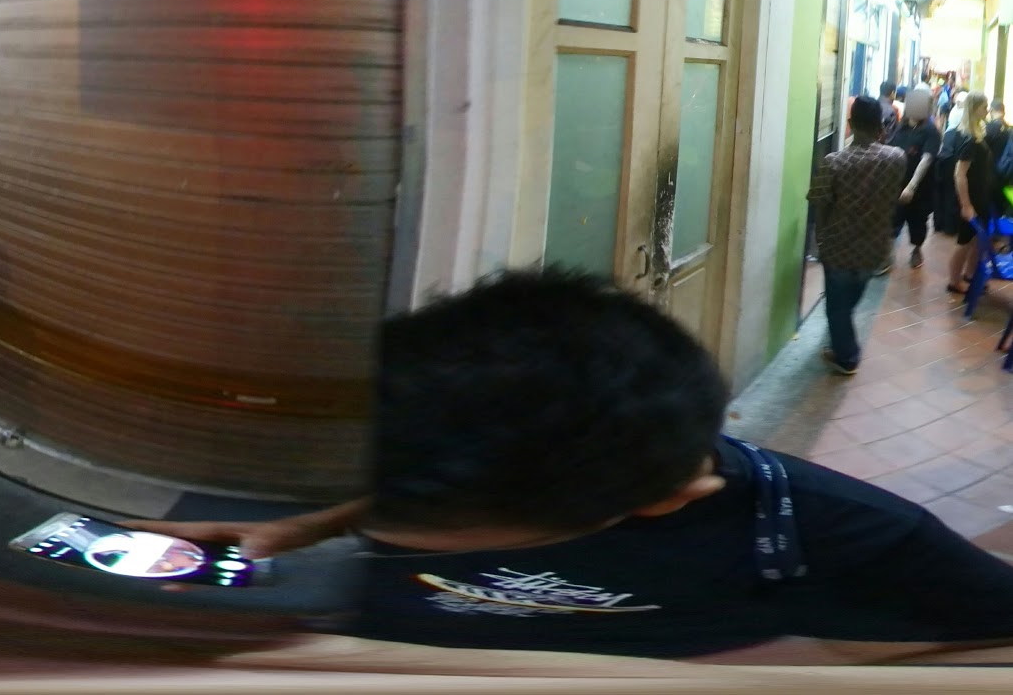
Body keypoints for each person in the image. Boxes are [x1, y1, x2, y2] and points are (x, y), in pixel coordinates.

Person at [133, 270, 1013, 663]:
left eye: (445, 534)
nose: (389, 536)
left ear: (660, 503)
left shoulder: (849, 535)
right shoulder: (477, 443)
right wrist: (292, 530)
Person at [807, 96, 907, 376]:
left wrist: (823, 240)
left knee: (837, 308)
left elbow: (820, 204)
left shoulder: (834, 163)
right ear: (881, 128)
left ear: (849, 125)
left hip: (838, 250)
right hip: (873, 251)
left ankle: (847, 357)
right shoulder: (896, 159)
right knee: (848, 301)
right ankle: (842, 342)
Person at [936, 90, 1001, 297]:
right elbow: (959, 174)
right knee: (964, 242)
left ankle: (969, 275)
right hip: (972, 200)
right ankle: (954, 281)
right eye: (984, 106)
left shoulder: (977, 133)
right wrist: (966, 204)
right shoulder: (969, 138)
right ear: (975, 109)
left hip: (979, 199)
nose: (987, 110)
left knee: (974, 241)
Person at [887, 86, 940, 267]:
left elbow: (926, 159)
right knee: (892, 219)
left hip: (920, 188)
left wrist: (912, 186)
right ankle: (886, 254)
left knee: (918, 221)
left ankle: (917, 249)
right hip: (896, 184)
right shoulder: (900, 128)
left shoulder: (930, 131)